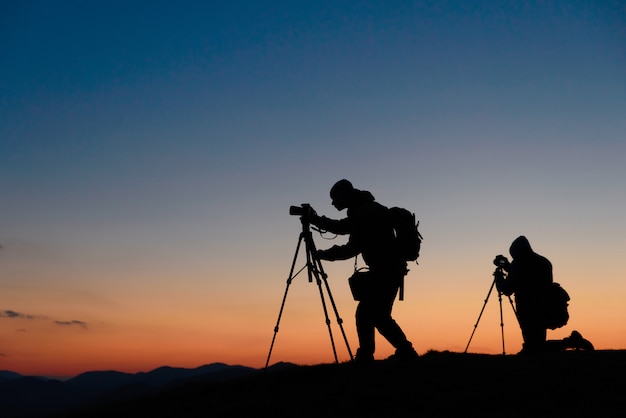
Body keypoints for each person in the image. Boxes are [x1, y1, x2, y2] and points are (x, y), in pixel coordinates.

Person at [309, 179, 418, 363]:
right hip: (389, 270)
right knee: (376, 315)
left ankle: (378, 355)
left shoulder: (365, 212)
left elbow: (351, 248)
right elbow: (343, 227)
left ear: (345, 196)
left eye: (335, 199)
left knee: (370, 314)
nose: (333, 203)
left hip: (386, 271)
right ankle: (399, 352)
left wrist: (322, 254)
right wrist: (317, 220)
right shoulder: (365, 209)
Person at [494, 235, 594, 354]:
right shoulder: (543, 262)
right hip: (545, 308)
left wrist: (499, 278)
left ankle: (572, 342)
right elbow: (528, 277)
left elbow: (508, 289)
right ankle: (571, 341)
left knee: (535, 347)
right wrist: (509, 267)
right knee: (535, 344)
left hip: (528, 309)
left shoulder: (519, 265)